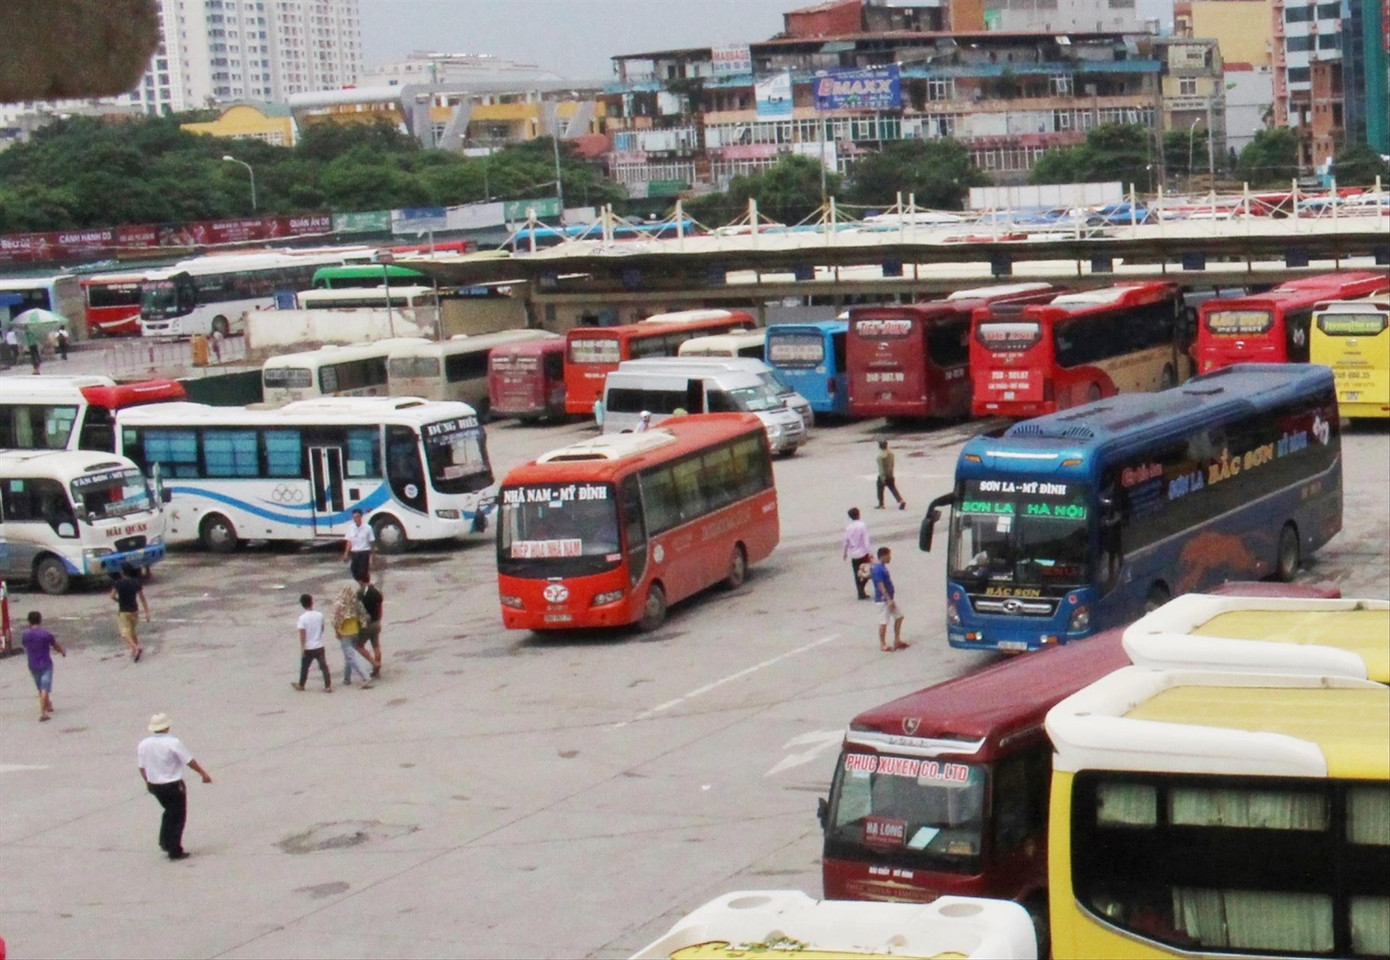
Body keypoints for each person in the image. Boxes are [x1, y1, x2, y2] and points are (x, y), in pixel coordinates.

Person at [137, 713, 212, 861]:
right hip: (172, 784)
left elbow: (141, 767)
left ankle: (165, 841)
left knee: (168, 812)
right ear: (167, 727)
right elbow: (189, 760)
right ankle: (174, 849)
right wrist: (202, 773)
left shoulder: (144, 744)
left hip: (154, 785)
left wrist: (148, 781)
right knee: (177, 815)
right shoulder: (173, 742)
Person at [21, 611, 65, 722]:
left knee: (40, 686)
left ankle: (48, 705)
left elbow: (25, 645)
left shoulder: (26, 635)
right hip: (45, 663)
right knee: (44, 687)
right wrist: (62, 652)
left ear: (29, 621)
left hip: (32, 664)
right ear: (40, 620)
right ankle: (42, 713)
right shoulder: (46, 634)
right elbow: (55, 646)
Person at [331, 582, 373, 689]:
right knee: (348, 656)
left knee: (350, 657)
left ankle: (365, 677)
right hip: (355, 631)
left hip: (345, 633)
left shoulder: (340, 605)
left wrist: (337, 632)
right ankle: (347, 678)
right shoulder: (356, 603)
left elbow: (335, 620)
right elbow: (363, 615)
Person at [870, 546, 908, 652]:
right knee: (883, 622)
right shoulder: (878, 569)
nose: (890, 558)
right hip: (883, 600)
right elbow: (880, 584)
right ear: (884, 555)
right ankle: (883, 644)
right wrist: (888, 599)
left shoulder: (881, 567)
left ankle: (897, 640)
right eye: (889, 555)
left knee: (899, 616)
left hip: (888, 598)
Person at [292, 594, 331, 692]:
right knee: (324, 666)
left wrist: (302, 647)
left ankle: (301, 684)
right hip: (319, 645)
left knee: (305, 667)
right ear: (312, 602)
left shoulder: (302, 618)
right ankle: (328, 686)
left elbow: (302, 634)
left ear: (302, 605)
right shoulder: (319, 615)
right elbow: (322, 628)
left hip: (308, 647)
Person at [110, 565, 149, 661]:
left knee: (124, 633)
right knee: (132, 630)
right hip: (134, 610)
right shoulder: (136, 583)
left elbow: (112, 596)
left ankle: (136, 648)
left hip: (124, 611)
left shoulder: (118, 583)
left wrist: (118, 600)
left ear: (122, 572)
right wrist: (147, 612)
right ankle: (134, 649)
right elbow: (142, 598)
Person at [841, 507, 873, 601]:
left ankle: (860, 592)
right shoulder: (862, 526)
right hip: (863, 553)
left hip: (854, 554)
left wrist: (845, 552)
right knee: (868, 572)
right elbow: (866, 540)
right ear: (859, 514)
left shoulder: (848, 528)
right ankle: (862, 587)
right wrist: (870, 552)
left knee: (856, 574)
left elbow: (845, 541)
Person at [356, 572, 384, 678]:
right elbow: (380, 606)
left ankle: (373, 662)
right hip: (376, 621)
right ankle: (376, 671)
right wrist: (379, 619)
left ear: (361, 581)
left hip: (367, 623)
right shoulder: (376, 591)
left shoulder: (360, 593)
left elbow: (358, 609)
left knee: (359, 645)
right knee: (376, 645)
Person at [342, 509, 374, 582]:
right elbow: (349, 541)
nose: (356, 519)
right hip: (355, 552)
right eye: (354, 517)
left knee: (363, 572)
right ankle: (363, 585)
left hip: (364, 552)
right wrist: (346, 553)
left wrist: (373, 555)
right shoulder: (351, 528)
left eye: (357, 517)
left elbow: (371, 542)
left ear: (361, 517)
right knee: (354, 570)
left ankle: (366, 586)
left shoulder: (368, 528)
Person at [875, 439, 906, 511]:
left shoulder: (880, 457)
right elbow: (892, 465)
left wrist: (883, 478)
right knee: (893, 489)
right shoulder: (891, 454)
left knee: (880, 489)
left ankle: (881, 504)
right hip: (890, 475)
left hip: (883, 476)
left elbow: (881, 468)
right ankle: (901, 500)